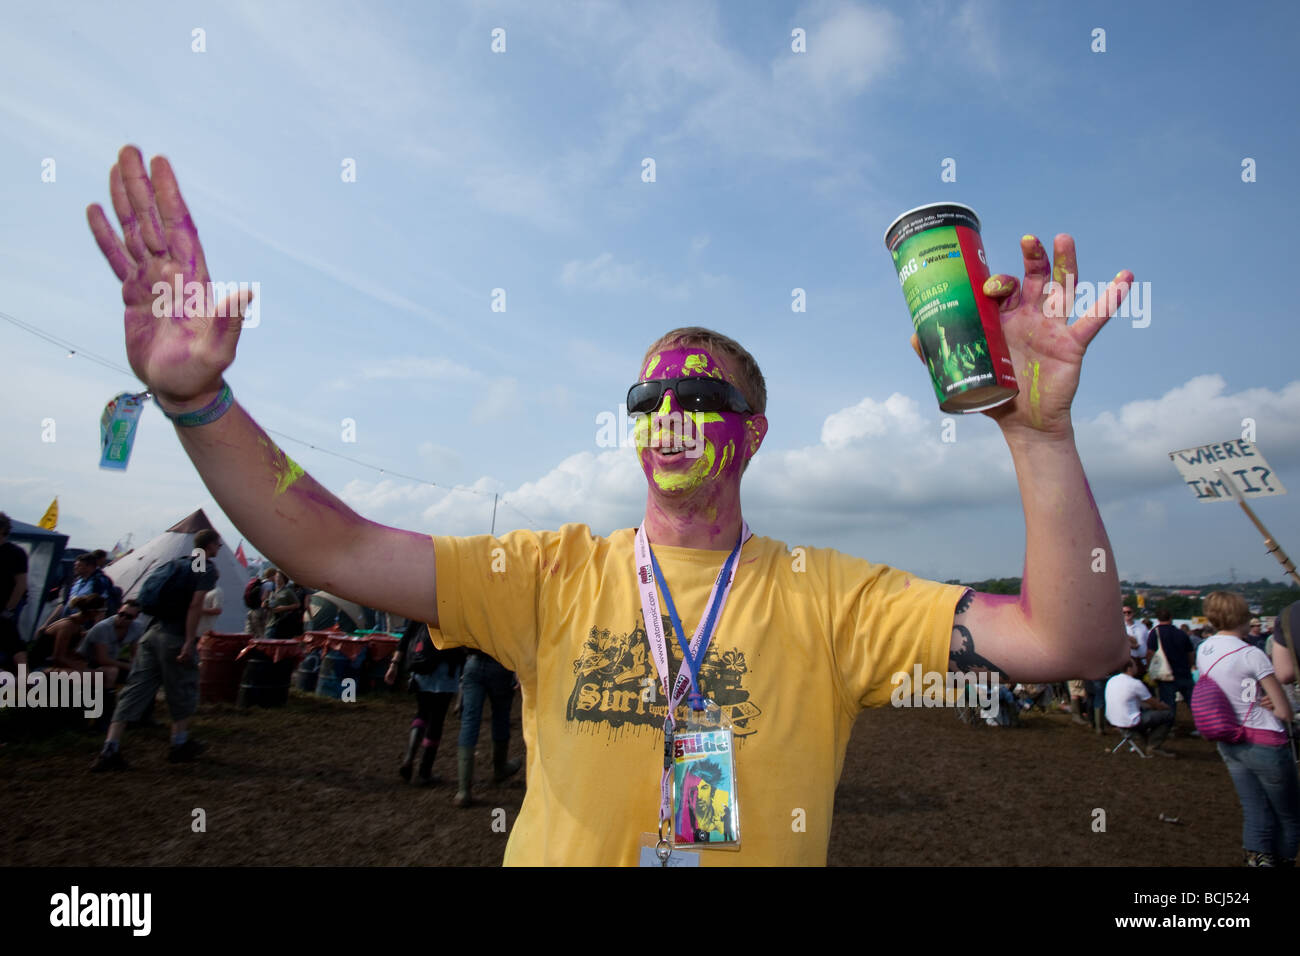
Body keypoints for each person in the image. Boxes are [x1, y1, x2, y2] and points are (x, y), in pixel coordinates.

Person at [85, 145, 1135, 865]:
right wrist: (200, 401)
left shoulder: (834, 596)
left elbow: (1070, 640)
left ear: (752, 432)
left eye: (701, 396)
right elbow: (333, 543)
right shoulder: (546, 573)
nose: (670, 412)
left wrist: (1036, 434)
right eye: (649, 396)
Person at [90, 530, 221, 771]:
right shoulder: (206, 569)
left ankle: (110, 747)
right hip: (175, 636)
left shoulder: (176, 564)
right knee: (182, 688)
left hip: (152, 633)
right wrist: (189, 640)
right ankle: (179, 744)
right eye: (218, 544)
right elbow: (195, 605)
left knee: (135, 689)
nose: (220, 548)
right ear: (210, 545)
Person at [1197, 591, 1298, 867]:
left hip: (1229, 739)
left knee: (1255, 811)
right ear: (1242, 617)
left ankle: (1257, 861)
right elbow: (1285, 711)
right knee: (1290, 817)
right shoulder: (1252, 654)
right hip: (1265, 742)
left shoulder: (1205, 649)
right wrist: (1273, 703)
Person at [386, 620, 465, 785]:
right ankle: (424, 772)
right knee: (436, 721)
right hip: (446, 669)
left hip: (422, 665)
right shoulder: (457, 606)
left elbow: (406, 638)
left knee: (422, 712)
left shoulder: (421, 605)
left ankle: (409, 757)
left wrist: (394, 665)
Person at [455, 651, 522, 807]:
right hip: (501, 665)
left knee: (469, 722)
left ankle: (463, 791)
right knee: (501, 717)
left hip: (473, 662)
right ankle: (500, 769)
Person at [1104, 656, 1175, 756]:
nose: (1137, 667)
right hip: (1130, 721)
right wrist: (1165, 707)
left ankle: (1144, 739)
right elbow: (1153, 703)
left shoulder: (1112, 680)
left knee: (1146, 711)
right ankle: (1153, 746)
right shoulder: (1135, 683)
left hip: (1113, 719)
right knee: (1168, 715)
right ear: (1129, 668)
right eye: (1135, 665)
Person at [77, 599, 146, 688]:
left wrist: (135, 665)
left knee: (142, 673)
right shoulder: (103, 627)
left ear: (135, 617)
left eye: (129, 617)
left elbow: (134, 653)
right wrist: (129, 666)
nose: (123, 618)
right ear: (118, 611)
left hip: (111, 659)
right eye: (121, 614)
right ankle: (106, 697)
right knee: (112, 671)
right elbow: (102, 659)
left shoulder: (137, 627)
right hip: (88, 662)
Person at [1146, 608, 1196, 729]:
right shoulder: (1181, 633)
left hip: (1165, 674)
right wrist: (1190, 666)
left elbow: (1150, 653)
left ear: (1158, 619)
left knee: (1169, 703)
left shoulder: (1155, 633)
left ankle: (1168, 727)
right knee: (1193, 703)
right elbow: (1190, 653)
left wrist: (1149, 668)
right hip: (1183, 672)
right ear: (1171, 617)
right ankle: (1203, 725)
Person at [41, 594, 107, 670]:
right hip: (42, 666)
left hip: (51, 665)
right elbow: (58, 658)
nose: (104, 614)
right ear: (93, 612)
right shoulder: (67, 626)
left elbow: (70, 653)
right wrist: (80, 668)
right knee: (90, 676)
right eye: (103, 611)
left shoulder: (78, 627)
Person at [0, 513, 29, 670]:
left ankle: (26, 681)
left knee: (13, 642)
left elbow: (21, 583)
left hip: (6, 606)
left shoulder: (15, 552)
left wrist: (9, 609)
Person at [263, 569, 303, 640]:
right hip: (271, 622)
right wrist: (265, 605)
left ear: (284, 579)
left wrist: (284, 608)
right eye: (276, 577)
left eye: (279, 577)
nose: (277, 579)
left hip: (282, 623)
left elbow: (297, 604)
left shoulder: (288, 591)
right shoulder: (273, 592)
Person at [1124, 606, 1149, 676]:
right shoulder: (1120, 627)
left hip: (1142, 660)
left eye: (1129, 612)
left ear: (1133, 613)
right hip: (1129, 662)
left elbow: (1147, 641)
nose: (1127, 614)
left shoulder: (1142, 626)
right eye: (1124, 612)